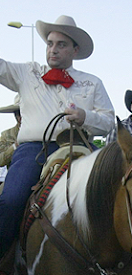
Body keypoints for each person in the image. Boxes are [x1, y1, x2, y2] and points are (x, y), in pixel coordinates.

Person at [0, 15, 115, 259]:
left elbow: (108, 122)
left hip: (81, 147)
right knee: (11, 200)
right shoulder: (27, 73)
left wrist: (85, 116)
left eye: (61, 45)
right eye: (50, 43)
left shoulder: (92, 82)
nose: (53, 50)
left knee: (115, 196)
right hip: (34, 151)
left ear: (75, 50)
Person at [0, 95, 21, 168]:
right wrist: (14, 147)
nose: (21, 117)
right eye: (18, 113)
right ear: (15, 115)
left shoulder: (44, 132)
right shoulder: (6, 135)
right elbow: (0, 160)